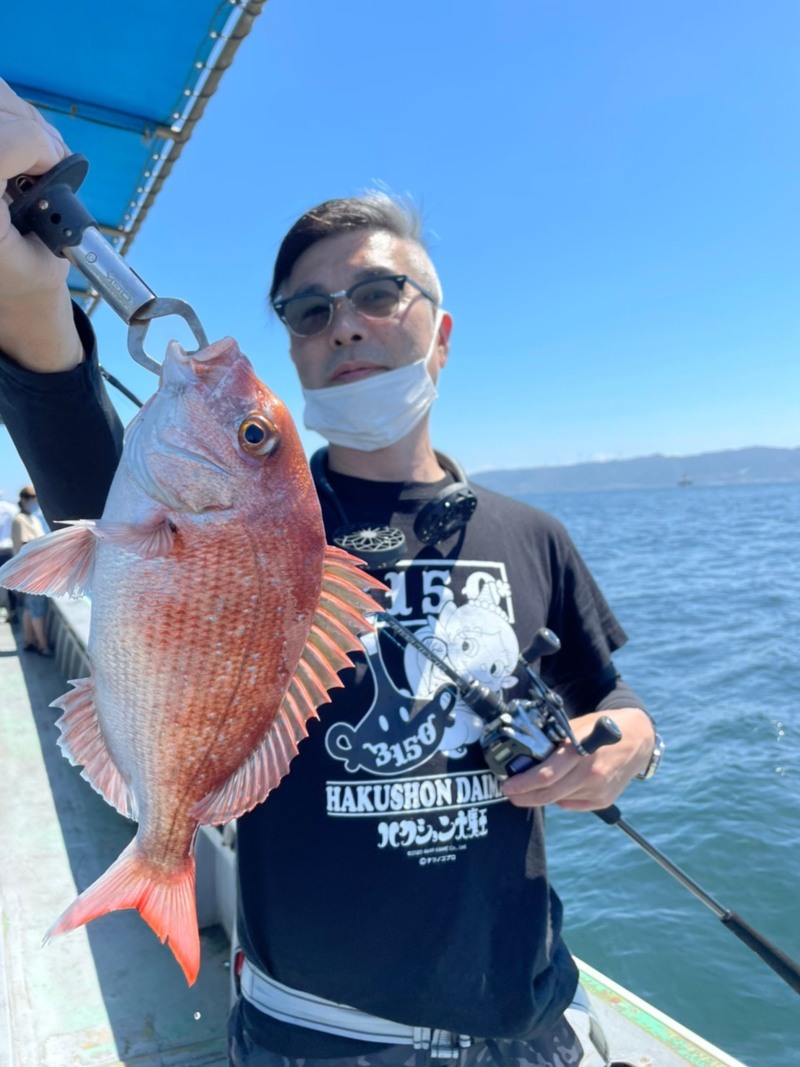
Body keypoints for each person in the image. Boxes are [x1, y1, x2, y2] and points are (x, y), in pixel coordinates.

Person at [0, 81, 662, 1067]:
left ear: (439, 332)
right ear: (297, 354)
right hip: (321, 1035)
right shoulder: (269, 525)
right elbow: (62, 409)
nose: (342, 322)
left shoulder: (531, 532)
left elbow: (612, 699)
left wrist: (614, 754)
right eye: (308, 310)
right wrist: (27, 289)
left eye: (377, 293)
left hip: (528, 1020)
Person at [10, 484, 52, 655]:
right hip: (32, 572)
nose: (35, 501)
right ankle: (43, 646)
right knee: (38, 610)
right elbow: (28, 545)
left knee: (29, 608)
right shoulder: (20, 519)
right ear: (24, 500)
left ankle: (29, 641)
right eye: (33, 498)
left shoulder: (32, 518)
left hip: (33, 571)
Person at [0, 489, 17, 622]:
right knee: (10, 583)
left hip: (4, 551)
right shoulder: (13, 509)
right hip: (9, 551)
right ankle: (13, 612)